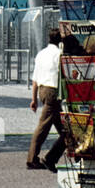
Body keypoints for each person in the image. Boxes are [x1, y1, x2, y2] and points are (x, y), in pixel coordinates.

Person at [27, 28, 65, 172]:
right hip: (53, 92)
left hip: (43, 91)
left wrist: (34, 99)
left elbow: (35, 79)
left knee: (66, 131)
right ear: (60, 41)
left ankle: (51, 158)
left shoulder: (41, 54)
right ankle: (34, 159)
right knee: (43, 127)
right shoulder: (59, 54)